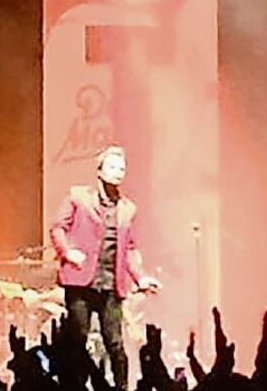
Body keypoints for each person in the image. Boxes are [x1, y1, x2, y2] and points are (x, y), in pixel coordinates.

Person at [49, 145, 160, 390]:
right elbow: (58, 227)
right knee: (78, 340)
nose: (118, 172)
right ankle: (74, 386)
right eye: (112, 166)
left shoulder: (127, 209)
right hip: (80, 281)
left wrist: (140, 278)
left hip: (111, 284)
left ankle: (121, 387)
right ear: (99, 171)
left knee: (116, 343)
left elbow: (130, 248)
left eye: (122, 168)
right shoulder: (78, 196)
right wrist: (67, 252)